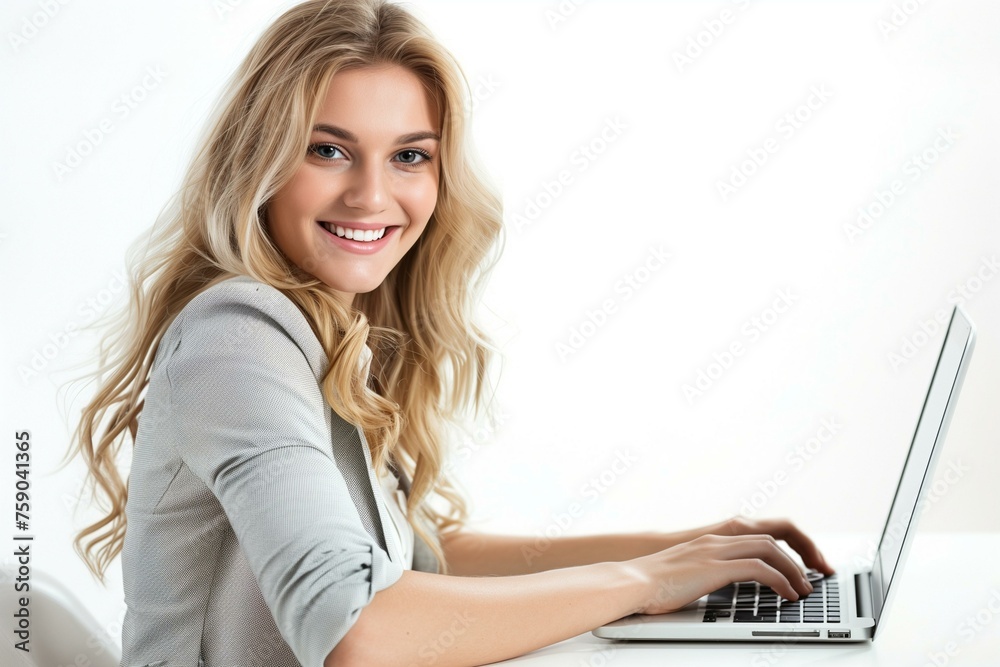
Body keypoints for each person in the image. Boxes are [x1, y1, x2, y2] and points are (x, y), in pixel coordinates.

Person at [67, 1, 834, 665]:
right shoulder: (238, 335)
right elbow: (357, 629)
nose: (372, 195)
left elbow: (423, 562)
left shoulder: (325, 328)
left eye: (409, 157)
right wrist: (641, 585)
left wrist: (677, 551)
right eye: (327, 149)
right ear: (259, 161)